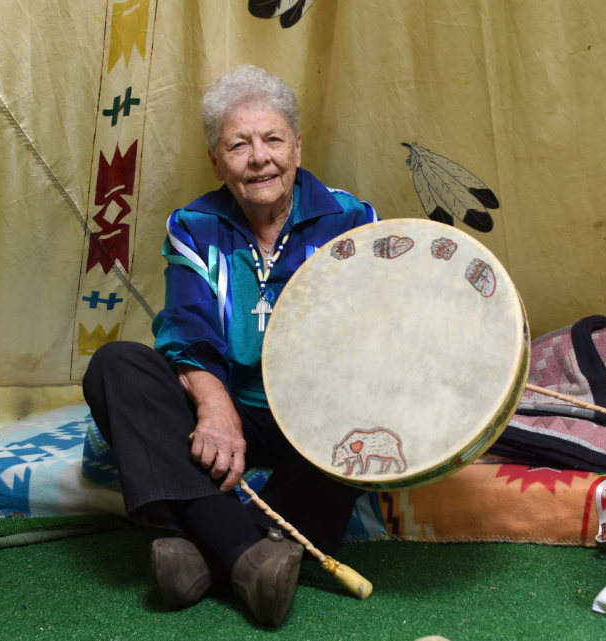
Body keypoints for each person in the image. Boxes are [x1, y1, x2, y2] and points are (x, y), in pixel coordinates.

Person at [83, 65, 378, 627]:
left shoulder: (353, 221)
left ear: (297, 145)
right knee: (116, 364)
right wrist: (215, 408)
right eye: (238, 145)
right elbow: (187, 328)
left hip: (314, 419)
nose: (259, 157)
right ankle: (253, 556)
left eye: (272, 139)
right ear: (217, 161)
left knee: (368, 401)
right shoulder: (193, 225)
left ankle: (205, 550)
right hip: (224, 410)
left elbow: (370, 336)